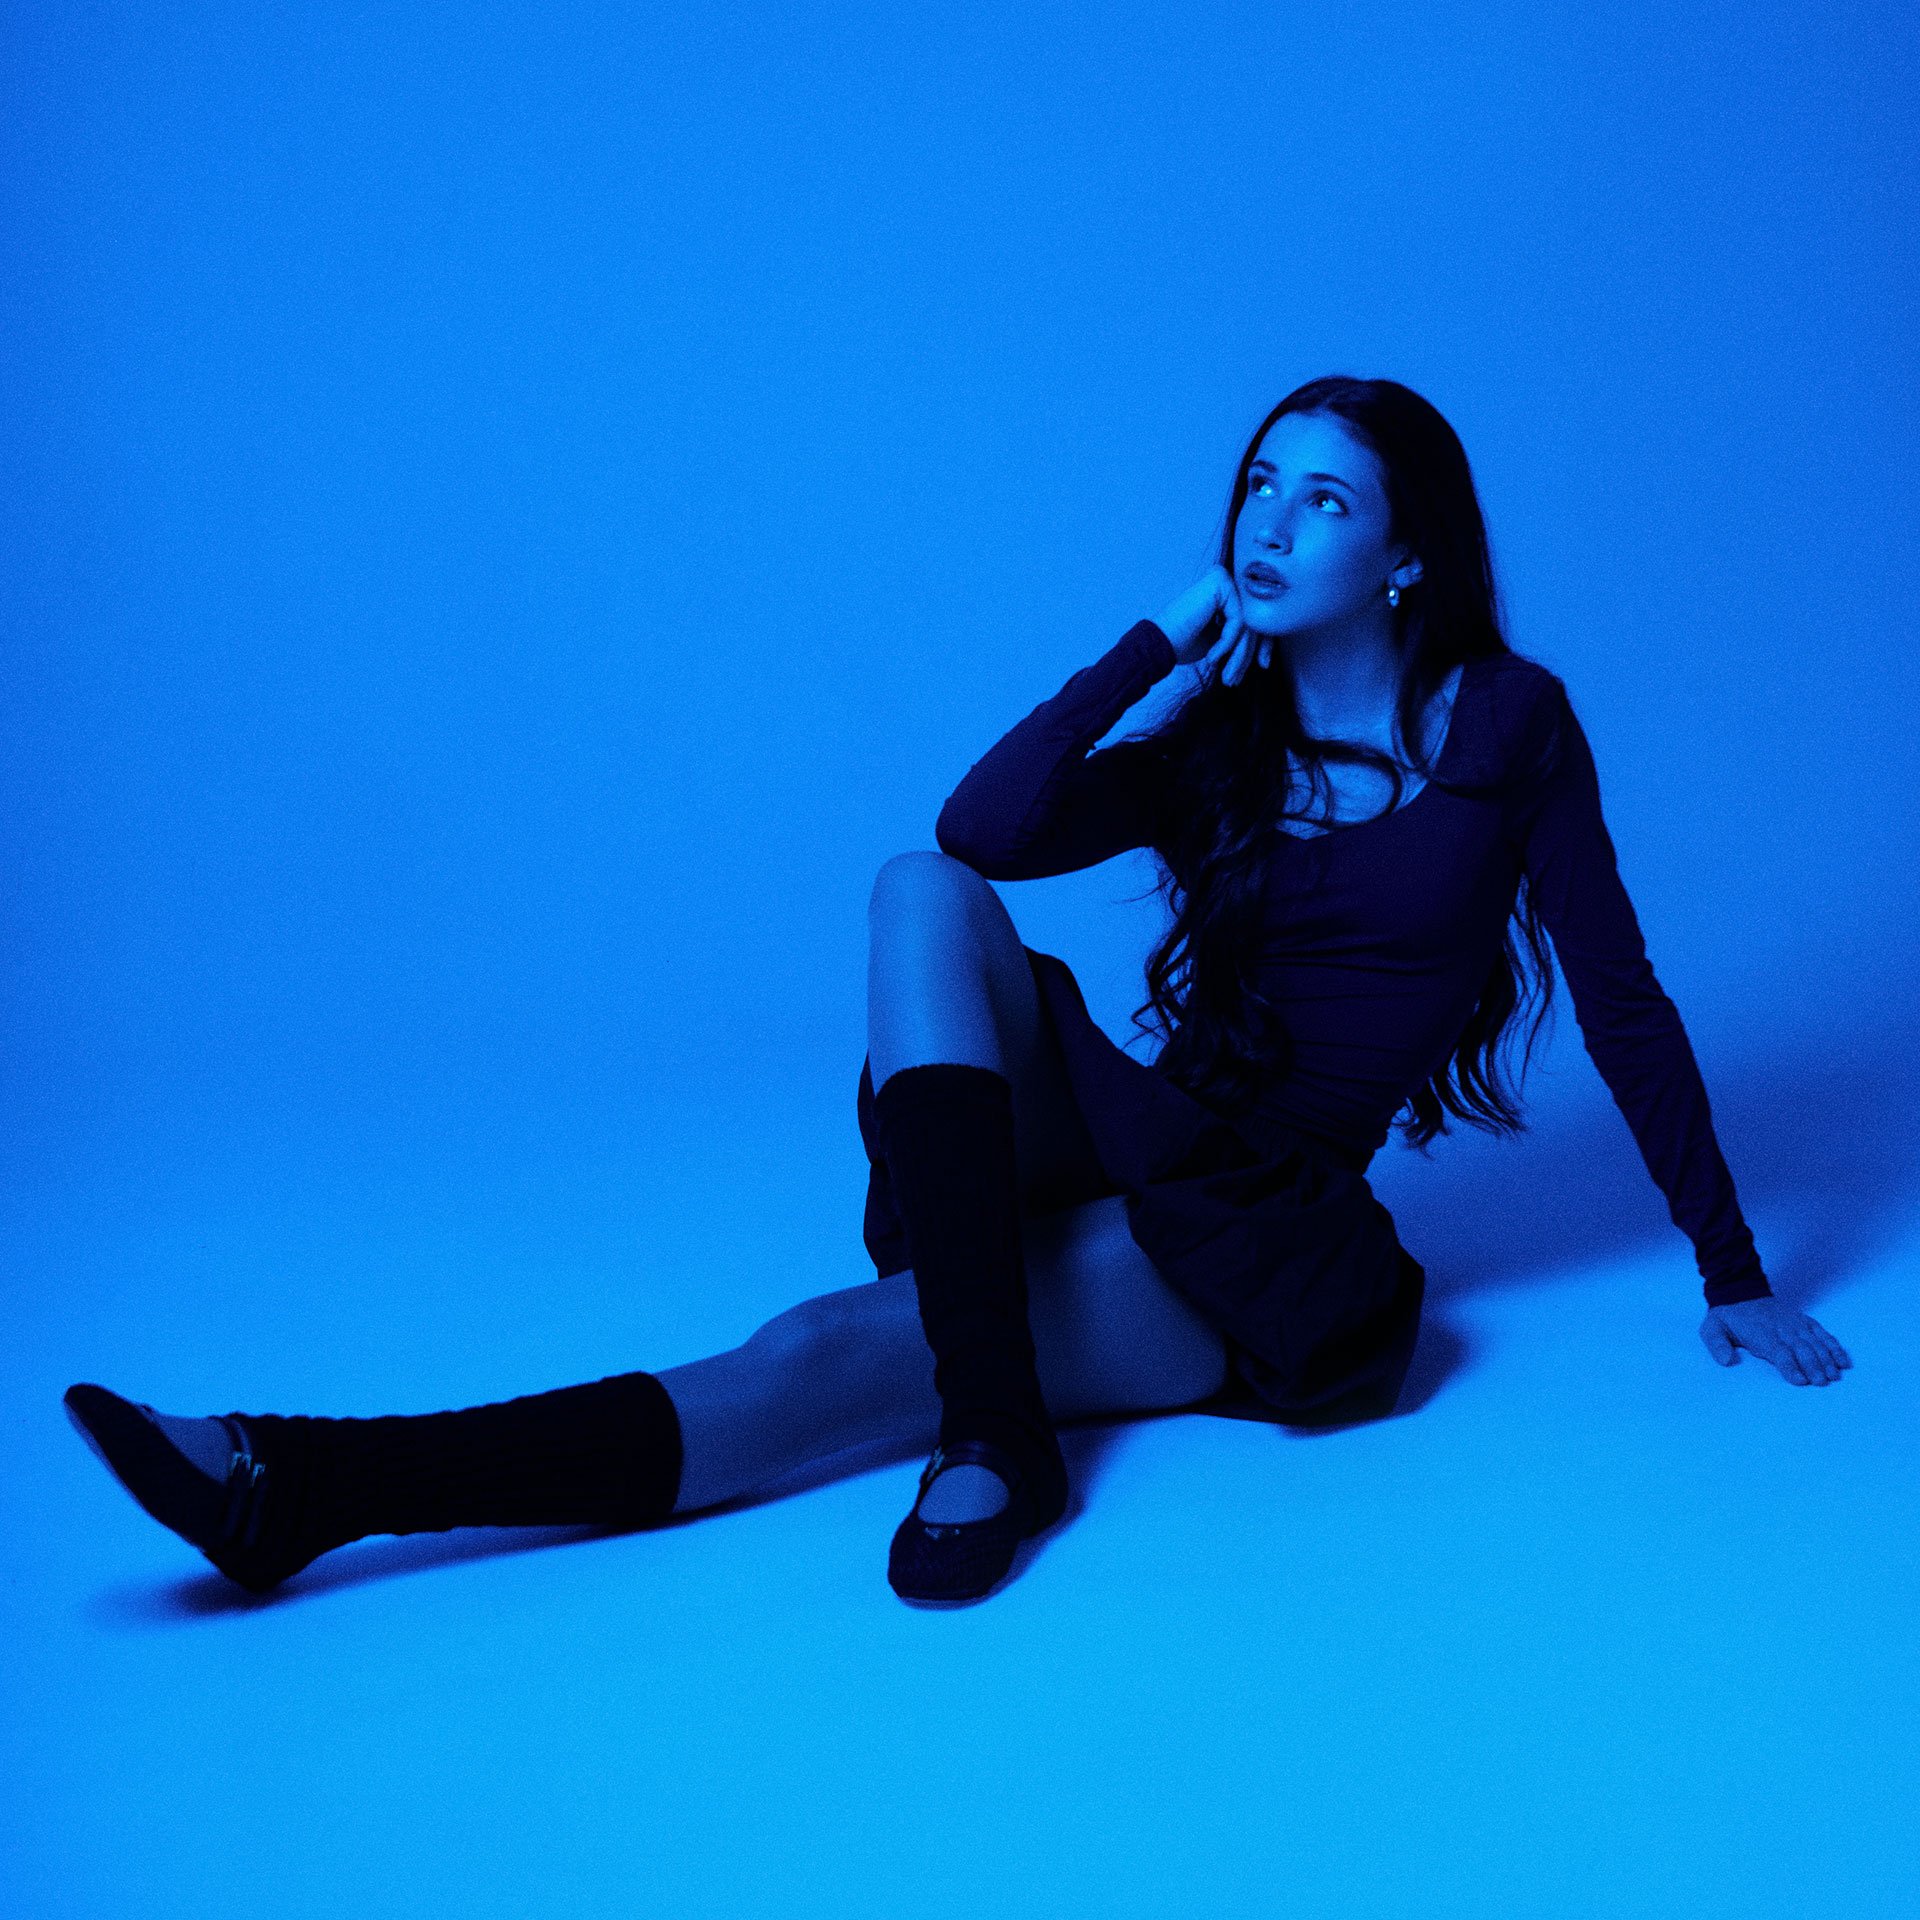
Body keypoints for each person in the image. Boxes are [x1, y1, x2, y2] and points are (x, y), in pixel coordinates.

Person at [63, 375, 1851, 1611]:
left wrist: (1735, 1271)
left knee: (820, 1356)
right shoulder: (1222, 740)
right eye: (1258, 483)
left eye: (1326, 499)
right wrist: (1159, 640)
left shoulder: (1506, 731)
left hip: (1262, 1234)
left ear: (1406, 555)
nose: (1272, 520)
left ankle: (305, 1483)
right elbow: (982, 828)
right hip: (1138, 1139)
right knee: (919, 892)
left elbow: (1621, 997)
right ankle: (999, 1428)